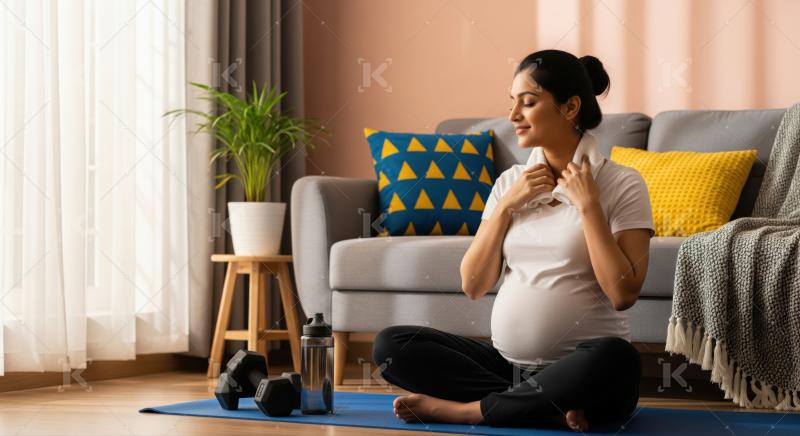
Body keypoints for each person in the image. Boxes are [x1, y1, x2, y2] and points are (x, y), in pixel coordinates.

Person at [372, 49, 656, 432]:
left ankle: (467, 410)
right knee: (392, 345)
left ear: (570, 107)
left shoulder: (622, 183)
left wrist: (589, 208)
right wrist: (506, 208)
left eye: (528, 103)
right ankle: (539, 408)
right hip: (508, 368)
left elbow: (623, 294)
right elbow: (473, 285)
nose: (513, 117)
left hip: (584, 374)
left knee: (616, 358)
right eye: (512, 103)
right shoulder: (509, 184)